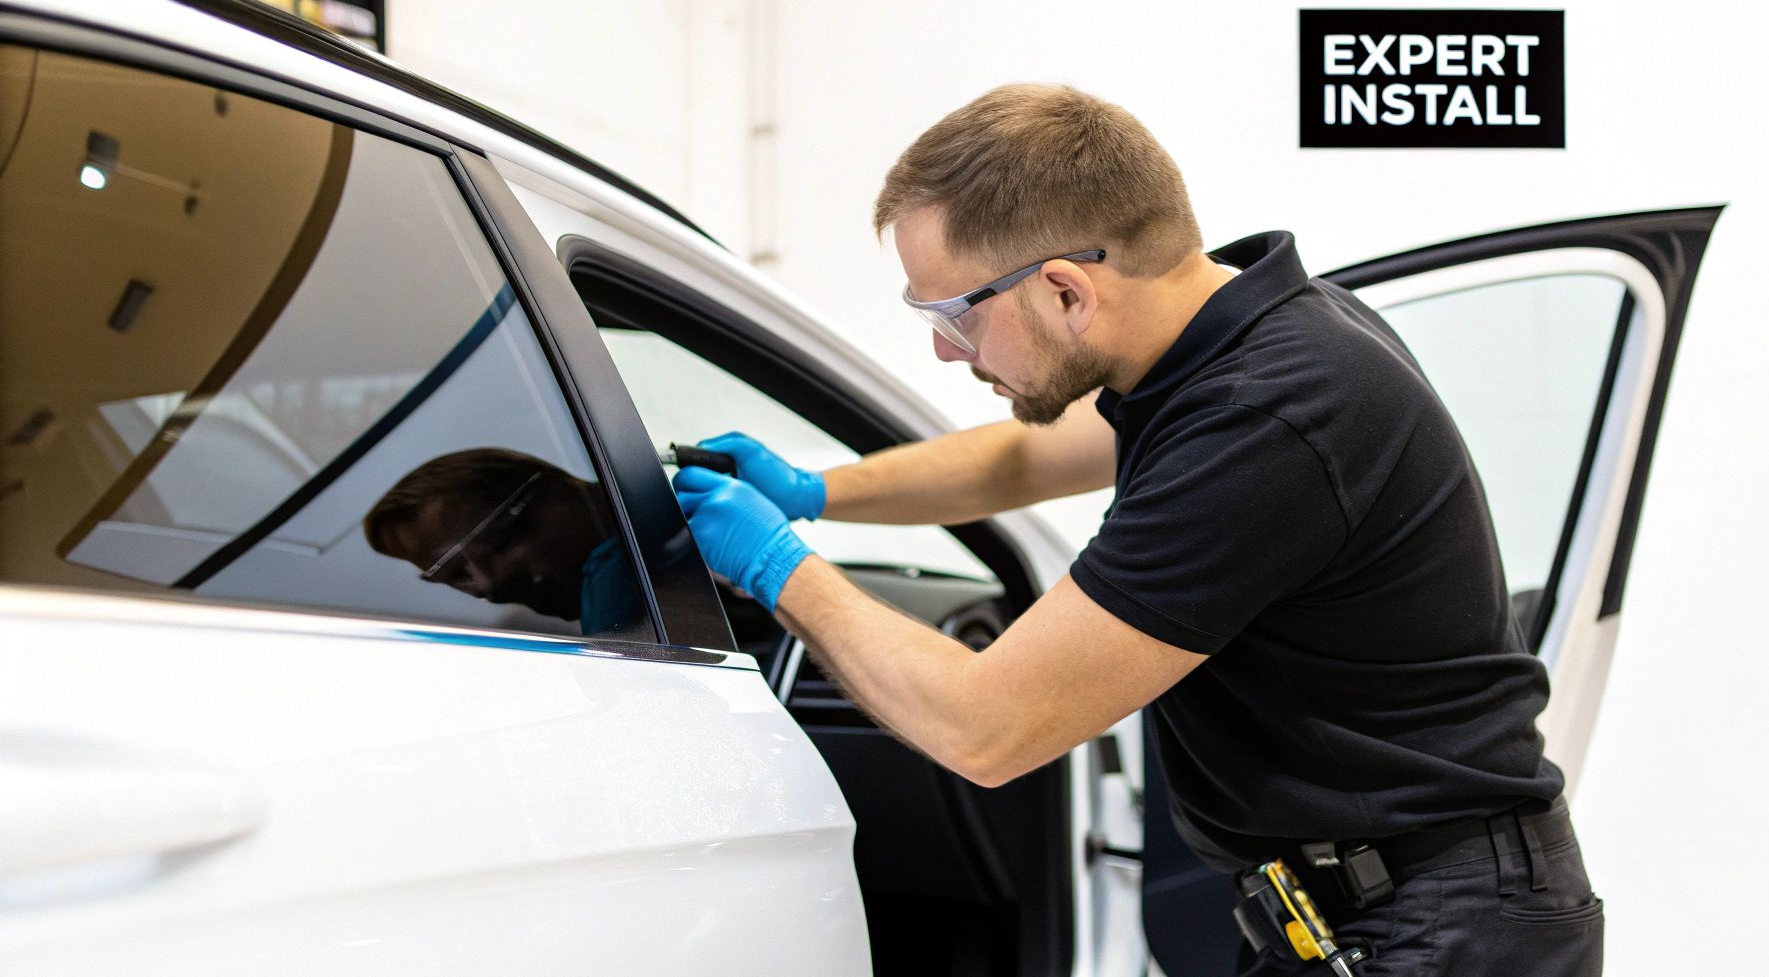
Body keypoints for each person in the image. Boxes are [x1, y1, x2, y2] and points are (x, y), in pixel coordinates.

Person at [671, 84, 1603, 974]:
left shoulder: (1270, 415)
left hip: (1436, 932)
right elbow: (1025, 460)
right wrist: (810, 489)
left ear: (1069, 291)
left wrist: (773, 563)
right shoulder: (1236, 341)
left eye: (955, 314)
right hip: (1373, 910)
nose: (944, 349)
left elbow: (984, 728)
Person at [364, 447, 642, 636]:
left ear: (566, 490)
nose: (487, 585)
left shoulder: (665, 550)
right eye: (458, 576)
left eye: (500, 542)